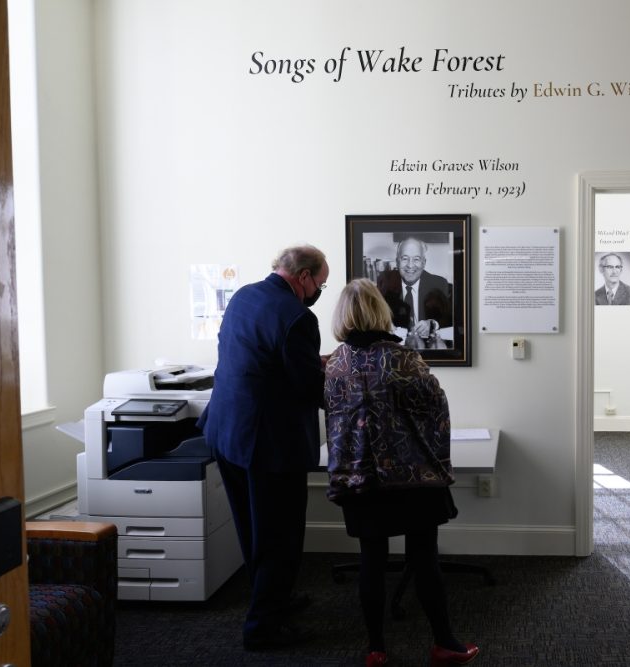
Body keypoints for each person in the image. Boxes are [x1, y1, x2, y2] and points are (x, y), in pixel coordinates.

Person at [324, 279, 480, 667]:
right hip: (412, 478)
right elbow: (435, 408)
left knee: (371, 561)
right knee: (424, 557)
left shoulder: (334, 365)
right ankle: (445, 643)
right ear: (381, 311)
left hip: (360, 479)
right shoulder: (403, 359)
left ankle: (376, 649)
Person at [198, 244, 329, 651]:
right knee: (279, 536)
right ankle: (263, 628)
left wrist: (310, 361)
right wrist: (338, 376)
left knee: (254, 531)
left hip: (227, 432)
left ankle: (272, 600)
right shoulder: (297, 317)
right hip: (269, 444)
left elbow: (260, 358)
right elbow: (309, 388)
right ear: (304, 277)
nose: (320, 290)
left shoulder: (244, 296)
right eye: (321, 282)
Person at [376, 237, 453, 348]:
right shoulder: (385, 284)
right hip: (395, 350)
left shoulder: (439, 283)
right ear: (397, 261)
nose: (410, 265)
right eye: (405, 259)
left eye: (416, 259)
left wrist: (433, 324)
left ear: (423, 262)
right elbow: (374, 318)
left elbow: (451, 318)